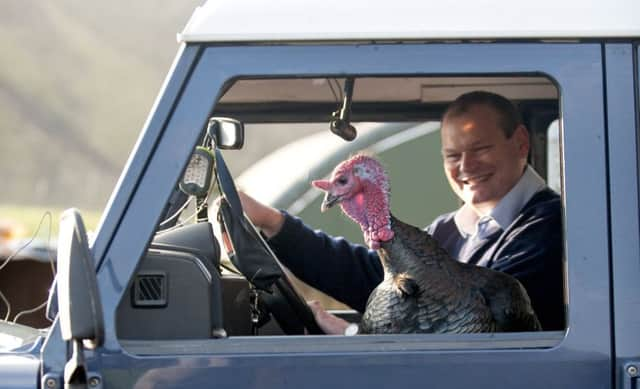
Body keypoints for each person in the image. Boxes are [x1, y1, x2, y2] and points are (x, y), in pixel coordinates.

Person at [239, 90, 564, 334]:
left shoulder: (546, 230)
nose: (465, 166)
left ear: (521, 143)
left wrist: (353, 335)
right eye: (453, 155)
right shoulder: (450, 229)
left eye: (480, 149)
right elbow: (388, 281)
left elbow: (476, 327)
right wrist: (272, 222)